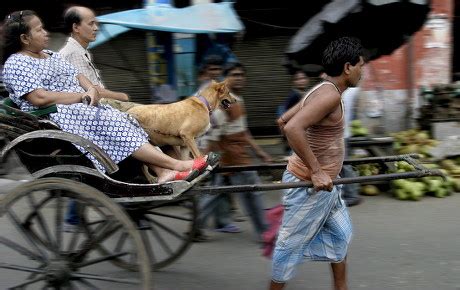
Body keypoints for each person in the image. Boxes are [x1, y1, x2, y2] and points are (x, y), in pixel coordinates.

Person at [1, 10, 216, 184]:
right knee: (113, 121)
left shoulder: (53, 55)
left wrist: (91, 90)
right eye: (39, 30)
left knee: (129, 119)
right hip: (55, 115)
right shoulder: (17, 63)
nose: (45, 33)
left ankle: (162, 171)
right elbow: (39, 98)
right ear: (25, 38)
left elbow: (79, 77)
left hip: (82, 106)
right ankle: (177, 165)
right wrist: (81, 97)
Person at [270, 37, 365, 290]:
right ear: (347, 67)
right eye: (360, 66)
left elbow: (282, 121)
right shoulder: (329, 96)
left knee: (341, 235)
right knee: (288, 249)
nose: (362, 72)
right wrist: (316, 170)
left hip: (327, 189)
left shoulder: (323, 88)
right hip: (309, 188)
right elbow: (292, 127)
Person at [200, 62, 272, 240]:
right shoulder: (226, 102)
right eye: (234, 75)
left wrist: (260, 152)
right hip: (232, 155)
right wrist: (212, 159)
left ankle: (195, 227)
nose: (239, 78)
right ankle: (264, 231)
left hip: (232, 154)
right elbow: (214, 134)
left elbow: (243, 131)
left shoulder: (238, 99)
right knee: (252, 192)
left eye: (241, 75)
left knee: (216, 192)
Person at [59, 6, 128, 102]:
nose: (96, 28)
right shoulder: (73, 53)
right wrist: (122, 96)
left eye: (96, 24)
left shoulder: (81, 51)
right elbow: (94, 90)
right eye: (91, 24)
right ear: (76, 27)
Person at [340, 87, 362, 207]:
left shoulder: (350, 91)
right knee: (342, 166)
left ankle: (352, 195)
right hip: (341, 134)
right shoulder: (339, 90)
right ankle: (345, 193)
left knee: (345, 165)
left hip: (342, 135)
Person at [278, 70, 310, 154]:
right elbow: (284, 113)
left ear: (307, 80)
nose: (301, 81)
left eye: (303, 78)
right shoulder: (294, 95)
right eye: (298, 79)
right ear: (294, 82)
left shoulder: (305, 94)